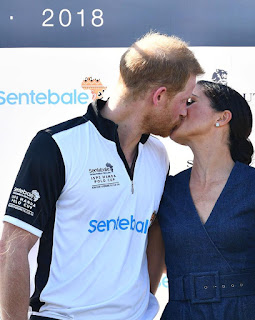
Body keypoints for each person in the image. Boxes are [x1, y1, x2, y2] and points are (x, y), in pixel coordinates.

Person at [0, 32, 204, 320]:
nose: (185, 112)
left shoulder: (158, 155)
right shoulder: (56, 145)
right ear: (159, 96)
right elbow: (12, 248)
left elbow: (155, 234)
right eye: (185, 100)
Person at [149, 80, 255, 319]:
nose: (180, 109)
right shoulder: (163, 191)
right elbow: (146, 284)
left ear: (222, 118)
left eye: (190, 102)